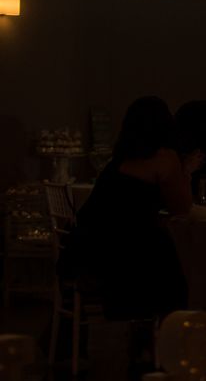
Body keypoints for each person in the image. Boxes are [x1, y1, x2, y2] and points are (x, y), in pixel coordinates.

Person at [63, 97, 191, 322]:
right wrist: (186, 172)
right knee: (172, 268)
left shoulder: (119, 160)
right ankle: (164, 341)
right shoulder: (165, 158)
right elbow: (181, 208)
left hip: (93, 251)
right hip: (127, 257)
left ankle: (140, 341)